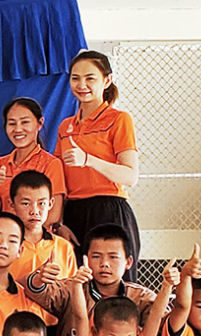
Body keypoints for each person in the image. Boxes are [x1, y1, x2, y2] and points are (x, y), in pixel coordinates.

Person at [57, 49, 141, 251]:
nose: (82, 85)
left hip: (109, 210)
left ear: (107, 80)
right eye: (75, 78)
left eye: (90, 78)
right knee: (76, 279)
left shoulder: (119, 119)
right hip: (73, 212)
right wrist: (59, 222)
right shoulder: (65, 126)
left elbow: (130, 176)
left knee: (113, 280)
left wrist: (88, 159)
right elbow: (58, 178)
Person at [0, 98, 65, 225]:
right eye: (12, 123)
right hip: (6, 237)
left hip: (36, 240)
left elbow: (54, 215)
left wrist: (27, 236)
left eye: (25, 122)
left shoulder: (51, 164)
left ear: (39, 123)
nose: (18, 129)